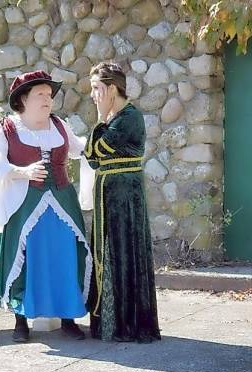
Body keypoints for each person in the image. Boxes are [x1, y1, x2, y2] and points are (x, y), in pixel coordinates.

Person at [0, 70, 92, 342]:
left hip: (62, 199)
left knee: (65, 254)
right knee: (27, 256)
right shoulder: (8, 129)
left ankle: (69, 317)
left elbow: (80, 149)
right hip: (25, 203)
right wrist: (24, 172)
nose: (48, 99)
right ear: (23, 100)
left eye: (49, 94)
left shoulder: (60, 125)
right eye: (40, 94)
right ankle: (21, 319)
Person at [85, 62, 161, 343]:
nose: (93, 95)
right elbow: (92, 159)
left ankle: (126, 324)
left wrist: (101, 117)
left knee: (124, 252)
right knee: (107, 252)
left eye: (96, 89)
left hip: (125, 197)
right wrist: (101, 118)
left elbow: (100, 148)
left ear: (112, 88)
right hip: (107, 196)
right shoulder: (111, 118)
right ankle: (107, 322)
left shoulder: (130, 117)